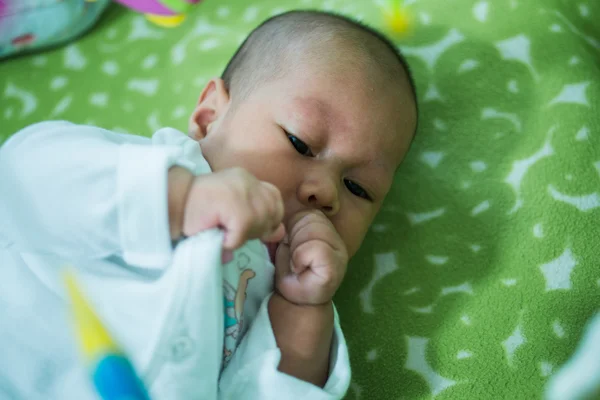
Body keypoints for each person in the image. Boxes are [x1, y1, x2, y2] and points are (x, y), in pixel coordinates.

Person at [0, 10, 417, 399]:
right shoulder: (154, 171)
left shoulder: (283, 297)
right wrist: (180, 199)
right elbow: (22, 175)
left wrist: (302, 312)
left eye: (358, 188)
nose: (326, 192)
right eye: (300, 142)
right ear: (209, 115)